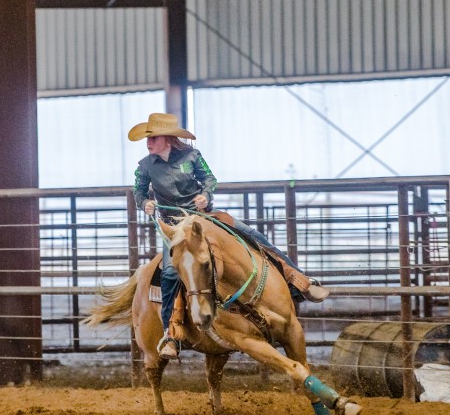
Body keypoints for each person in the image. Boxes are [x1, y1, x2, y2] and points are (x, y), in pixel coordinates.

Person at [129, 112, 330, 359]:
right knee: (170, 272)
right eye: (148, 138)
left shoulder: (192, 156)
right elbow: (138, 191)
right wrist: (145, 202)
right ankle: (170, 332)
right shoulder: (145, 166)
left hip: (205, 219)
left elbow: (209, 179)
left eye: (154, 137)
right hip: (175, 227)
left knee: (253, 236)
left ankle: (300, 281)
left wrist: (205, 195)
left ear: (168, 139)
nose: (148, 142)